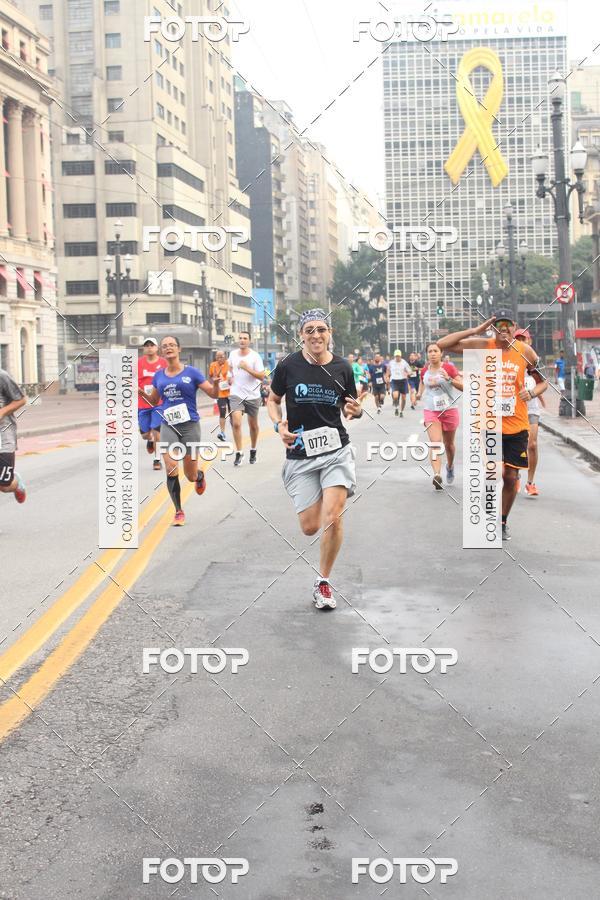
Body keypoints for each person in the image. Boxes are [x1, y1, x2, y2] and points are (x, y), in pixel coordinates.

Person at [268, 308, 363, 610]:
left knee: (333, 517)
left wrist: (355, 410)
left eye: (321, 329)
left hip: (336, 450)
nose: (316, 335)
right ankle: (318, 495)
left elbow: (352, 405)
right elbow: (272, 399)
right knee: (310, 527)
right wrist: (278, 424)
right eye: (309, 330)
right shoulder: (288, 366)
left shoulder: (342, 368)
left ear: (329, 333)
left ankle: (323, 582)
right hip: (300, 454)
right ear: (301, 335)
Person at [437, 309, 546, 541]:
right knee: (494, 472)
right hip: (490, 423)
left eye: (507, 325)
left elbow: (541, 383)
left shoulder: (525, 351)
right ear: (492, 327)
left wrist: (532, 392)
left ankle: (503, 520)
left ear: (513, 326)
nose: (503, 329)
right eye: (498, 325)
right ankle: (488, 502)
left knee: (511, 477)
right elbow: (443, 343)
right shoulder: (483, 345)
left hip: (517, 425)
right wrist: (476, 330)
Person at [145, 336, 220, 526]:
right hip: (168, 425)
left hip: (190, 426)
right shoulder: (159, 376)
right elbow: (154, 402)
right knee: (171, 468)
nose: (168, 348)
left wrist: (216, 383)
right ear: (162, 352)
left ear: (179, 349)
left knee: (190, 475)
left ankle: (199, 476)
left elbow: (213, 393)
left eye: (171, 345)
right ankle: (178, 510)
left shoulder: (192, 373)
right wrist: (142, 394)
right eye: (165, 346)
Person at [417, 343, 463, 489]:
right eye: (430, 351)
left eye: (435, 351)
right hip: (431, 411)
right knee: (435, 442)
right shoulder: (425, 369)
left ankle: (449, 466)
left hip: (449, 410)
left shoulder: (449, 367)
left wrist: (449, 378)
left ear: (441, 353)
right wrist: (419, 393)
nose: (432, 354)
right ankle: (437, 475)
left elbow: (463, 386)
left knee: (449, 445)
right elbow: (422, 382)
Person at [515, 328, 549, 497]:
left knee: (532, 445)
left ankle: (530, 482)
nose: (521, 341)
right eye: (517, 339)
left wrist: (534, 395)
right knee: (515, 446)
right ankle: (514, 476)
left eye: (524, 339)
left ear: (529, 342)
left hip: (531, 410)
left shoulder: (534, 363)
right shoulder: (510, 362)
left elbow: (542, 383)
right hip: (513, 411)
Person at [228, 331, 265, 466]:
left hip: (253, 395)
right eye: (240, 338)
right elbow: (230, 368)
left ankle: (253, 449)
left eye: (245, 338)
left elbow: (262, 376)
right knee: (236, 423)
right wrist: (229, 376)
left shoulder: (255, 357)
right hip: (236, 393)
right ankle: (239, 452)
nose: (242, 340)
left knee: (253, 426)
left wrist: (247, 368)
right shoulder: (232, 354)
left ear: (250, 341)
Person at [137, 338, 167, 471]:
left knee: (157, 432)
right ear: (144, 348)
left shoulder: (163, 363)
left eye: (152, 345)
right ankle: (149, 440)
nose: (149, 347)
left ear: (157, 348)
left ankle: (157, 459)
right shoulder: (138, 363)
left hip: (159, 403)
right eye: (146, 345)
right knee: (145, 434)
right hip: (143, 403)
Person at [0, 367, 27, 504]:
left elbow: (21, 400)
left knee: (4, 486)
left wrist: (2, 412)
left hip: (4, 440)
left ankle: (17, 484)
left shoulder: (2, 376)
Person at [208, 350, 232, 441]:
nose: (219, 359)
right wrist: (214, 379)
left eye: (221, 356)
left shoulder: (229, 364)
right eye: (217, 357)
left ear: (225, 356)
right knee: (222, 413)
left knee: (232, 413)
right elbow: (211, 377)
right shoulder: (213, 365)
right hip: (220, 393)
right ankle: (222, 433)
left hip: (230, 392)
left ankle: (235, 428)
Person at [388, 349, 412, 417]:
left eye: (398, 356)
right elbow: (388, 370)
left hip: (403, 381)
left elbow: (410, 371)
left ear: (400, 356)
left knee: (404, 398)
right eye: (396, 356)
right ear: (394, 356)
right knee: (395, 396)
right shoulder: (391, 362)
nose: (397, 357)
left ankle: (401, 411)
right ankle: (396, 407)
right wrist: (387, 377)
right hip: (394, 381)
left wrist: (407, 374)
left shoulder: (404, 363)